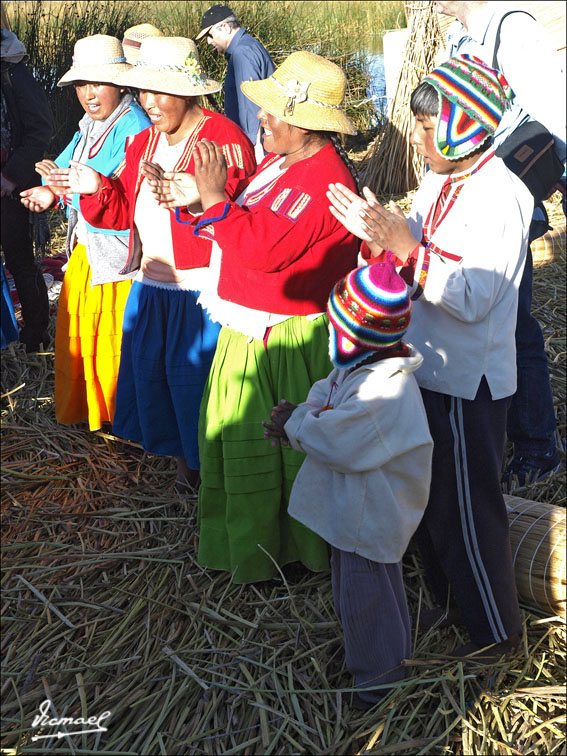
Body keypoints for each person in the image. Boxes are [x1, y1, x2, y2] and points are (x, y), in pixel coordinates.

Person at [328, 55, 532, 656]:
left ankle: (498, 637)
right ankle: (451, 608)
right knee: (430, 503)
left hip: (469, 381)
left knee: (470, 513)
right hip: (425, 366)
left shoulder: (503, 195)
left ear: (465, 124)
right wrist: (378, 237)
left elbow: (473, 297)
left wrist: (404, 244)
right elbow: (407, 250)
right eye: (416, 125)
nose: (416, 139)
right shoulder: (442, 181)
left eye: (425, 126)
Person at [151, 50, 361, 582]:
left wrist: (217, 196)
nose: (261, 118)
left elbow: (266, 248)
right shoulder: (282, 163)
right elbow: (245, 218)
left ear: (306, 125)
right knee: (238, 435)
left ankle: (288, 552)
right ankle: (253, 543)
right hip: (250, 321)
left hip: (284, 338)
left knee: (274, 444)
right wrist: (200, 198)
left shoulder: (323, 180)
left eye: (272, 111)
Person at [51, 36, 256, 492]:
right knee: (157, 376)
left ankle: (213, 474)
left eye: (159, 92)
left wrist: (201, 196)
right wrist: (93, 186)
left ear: (187, 92)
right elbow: (121, 209)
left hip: (200, 290)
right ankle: (182, 466)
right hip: (151, 284)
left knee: (196, 385)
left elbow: (242, 208)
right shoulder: (142, 140)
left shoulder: (223, 138)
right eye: (143, 91)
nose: (149, 102)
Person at [263, 261, 433, 709]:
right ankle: (386, 657)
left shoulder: (384, 391)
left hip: (369, 515)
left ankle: (377, 683)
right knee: (372, 587)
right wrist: (304, 409)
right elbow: (327, 387)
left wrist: (294, 424)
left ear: (355, 335)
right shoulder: (364, 366)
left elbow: (338, 440)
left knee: (367, 597)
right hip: (362, 510)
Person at [434, 1, 565, 488]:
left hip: (504, 201)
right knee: (496, 321)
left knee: (512, 325)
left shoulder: (511, 31)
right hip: (471, 198)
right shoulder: (461, 36)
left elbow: (559, 117)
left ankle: (537, 449)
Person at [21, 34, 151, 430]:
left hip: (119, 261)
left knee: (112, 345)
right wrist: (50, 191)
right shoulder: (90, 126)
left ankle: (119, 422)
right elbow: (68, 172)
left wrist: (69, 190)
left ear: (121, 82)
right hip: (88, 250)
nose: (89, 94)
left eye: (98, 83)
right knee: (81, 340)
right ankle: (93, 416)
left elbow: (123, 198)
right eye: (81, 85)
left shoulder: (135, 129)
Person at [1, 27, 51, 352]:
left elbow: (40, 129)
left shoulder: (12, 68)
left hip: (11, 188)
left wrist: (10, 176)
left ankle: (34, 339)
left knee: (20, 260)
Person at [195, 4, 275, 144]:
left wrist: (253, 147)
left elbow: (250, 106)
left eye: (210, 34)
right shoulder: (248, 45)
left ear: (226, 27)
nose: (208, 41)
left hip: (256, 143)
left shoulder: (242, 53)